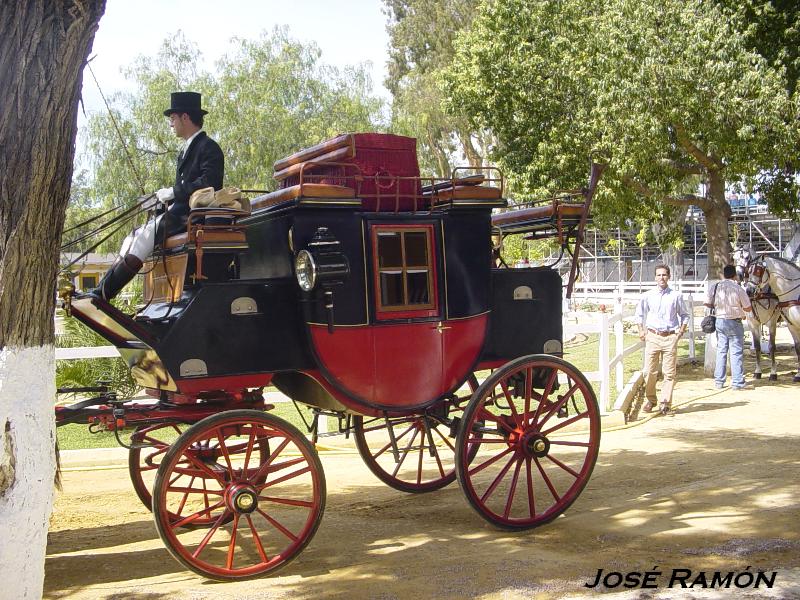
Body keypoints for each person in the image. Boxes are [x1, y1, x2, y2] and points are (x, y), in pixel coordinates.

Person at [92, 91, 224, 300]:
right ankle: (102, 288)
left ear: (185, 117)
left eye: (173, 118)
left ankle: (105, 293)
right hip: (179, 210)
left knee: (142, 240)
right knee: (132, 237)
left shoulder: (208, 147)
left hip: (192, 214)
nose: (171, 123)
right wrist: (164, 200)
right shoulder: (186, 150)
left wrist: (173, 192)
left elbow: (210, 184)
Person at [635, 264, 690, 414]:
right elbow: (639, 313)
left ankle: (666, 402)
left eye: (664, 275)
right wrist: (641, 330)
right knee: (649, 371)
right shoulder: (648, 295)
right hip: (653, 336)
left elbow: (685, 315)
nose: (661, 278)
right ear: (655, 277)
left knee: (669, 373)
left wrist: (680, 332)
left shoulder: (676, 296)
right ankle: (651, 399)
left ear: (669, 277)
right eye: (659, 275)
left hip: (670, 337)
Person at [705, 264, 753, 390]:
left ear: (723, 274)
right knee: (736, 351)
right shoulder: (737, 288)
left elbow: (707, 302)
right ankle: (737, 382)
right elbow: (748, 307)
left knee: (721, 350)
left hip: (720, 320)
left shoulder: (716, 287)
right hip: (734, 321)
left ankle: (719, 381)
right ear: (735, 275)